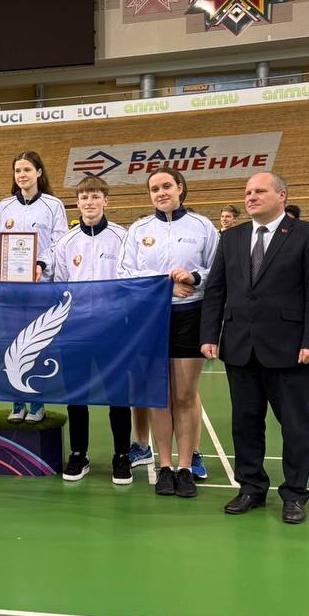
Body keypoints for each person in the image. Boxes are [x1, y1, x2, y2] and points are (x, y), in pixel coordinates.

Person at [200, 172, 309, 525]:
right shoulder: (231, 237)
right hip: (239, 347)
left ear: (282, 195)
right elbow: (216, 290)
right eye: (248, 192)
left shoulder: (308, 235)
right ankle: (251, 488)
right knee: (244, 423)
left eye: (260, 191)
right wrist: (210, 334)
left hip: (290, 349)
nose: (251, 197)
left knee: (294, 426)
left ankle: (295, 494)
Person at [120, 166, 219, 498]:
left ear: (180, 187)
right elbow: (126, 273)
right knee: (159, 395)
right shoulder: (138, 230)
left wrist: (193, 277)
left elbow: (217, 270)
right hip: (151, 318)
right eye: (154, 189)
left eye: (166, 186)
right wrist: (164, 286)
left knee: (185, 395)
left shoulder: (203, 227)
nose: (161, 193)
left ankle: (185, 467)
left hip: (191, 316)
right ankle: (164, 466)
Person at [51, 177, 132, 485]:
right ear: (78, 203)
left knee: (118, 394)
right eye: (84, 197)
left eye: (95, 196)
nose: (89, 202)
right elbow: (60, 285)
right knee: (77, 394)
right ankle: (78, 454)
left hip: (114, 329)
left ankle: (121, 455)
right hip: (76, 328)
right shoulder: (66, 242)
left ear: (105, 201)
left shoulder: (122, 237)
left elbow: (132, 281)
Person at [0, 150, 68, 424]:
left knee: (38, 343)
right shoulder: (5, 206)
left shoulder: (53, 205)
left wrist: (40, 263)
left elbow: (60, 243)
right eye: (18, 170)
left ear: (39, 172)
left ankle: (37, 403)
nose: (22, 175)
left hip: (41, 287)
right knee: (12, 344)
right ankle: (17, 403)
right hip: (10, 289)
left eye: (27, 169)